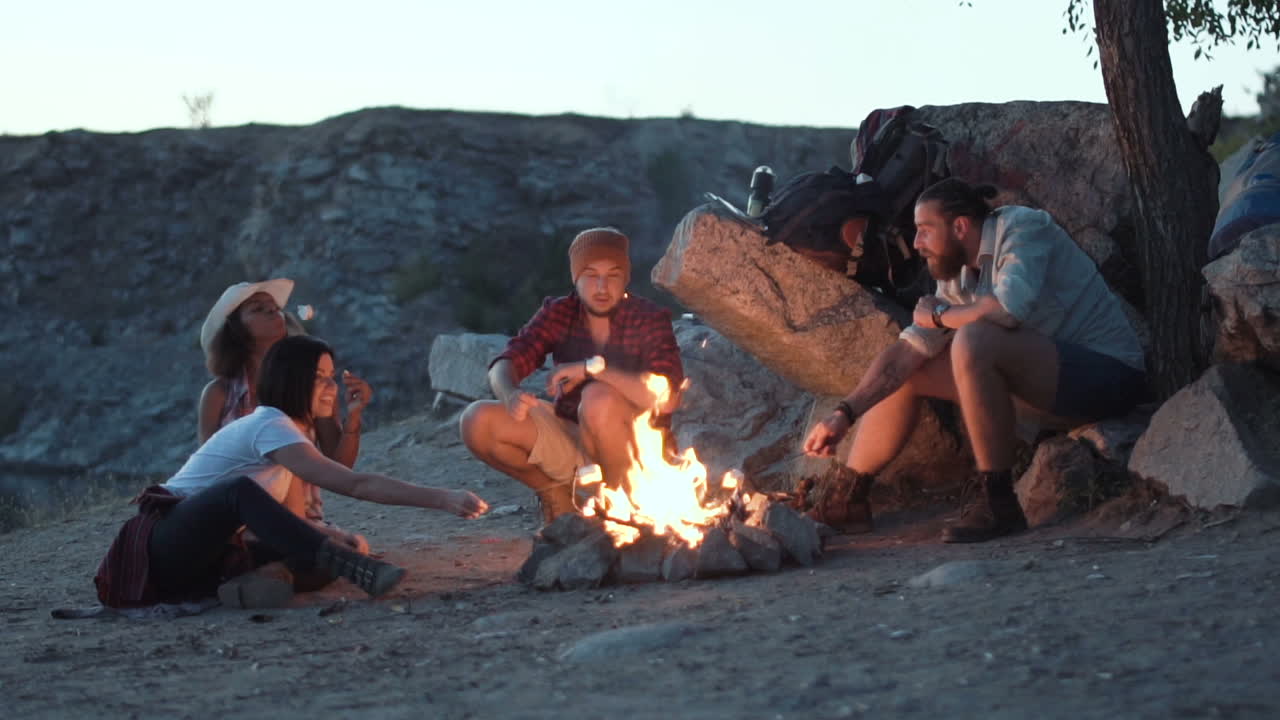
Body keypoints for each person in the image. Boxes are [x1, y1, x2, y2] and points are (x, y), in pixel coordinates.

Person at [802, 178, 1147, 543]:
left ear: (960, 226)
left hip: (1107, 378)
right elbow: (906, 352)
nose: (917, 244)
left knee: (974, 337)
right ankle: (847, 499)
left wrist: (939, 316)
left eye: (923, 231)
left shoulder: (1023, 228)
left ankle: (999, 504)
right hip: (1045, 389)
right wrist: (844, 413)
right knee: (910, 368)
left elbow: (1008, 312)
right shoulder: (958, 277)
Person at [95, 335, 489, 609]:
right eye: (319, 377)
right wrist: (442, 498)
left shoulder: (292, 438)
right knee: (238, 492)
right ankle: (349, 569)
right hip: (162, 544)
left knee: (343, 544)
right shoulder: (268, 424)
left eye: (331, 377)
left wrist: (335, 537)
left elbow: (292, 518)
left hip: (207, 558)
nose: (330, 386)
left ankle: (254, 585)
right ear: (291, 379)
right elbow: (354, 483)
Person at [459, 227, 684, 523]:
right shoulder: (560, 312)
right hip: (572, 436)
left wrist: (595, 369)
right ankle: (556, 495)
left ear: (625, 278)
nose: (602, 287)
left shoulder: (648, 319)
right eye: (591, 274)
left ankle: (618, 512)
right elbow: (507, 362)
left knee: (597, 397)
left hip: (631, 452)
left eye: (613, 275)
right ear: (575, 277)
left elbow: (666, 398)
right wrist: (509, 393)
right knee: (477, 420)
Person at [198, 279, 373, 523]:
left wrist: (353, 416)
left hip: (303, 519)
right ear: (235, 328)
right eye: (258, 308)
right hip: (240, 520)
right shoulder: (219, 393)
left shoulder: (313, 385)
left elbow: (339, 466)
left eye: (274, 307)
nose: (273, 310)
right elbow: (210, 472)